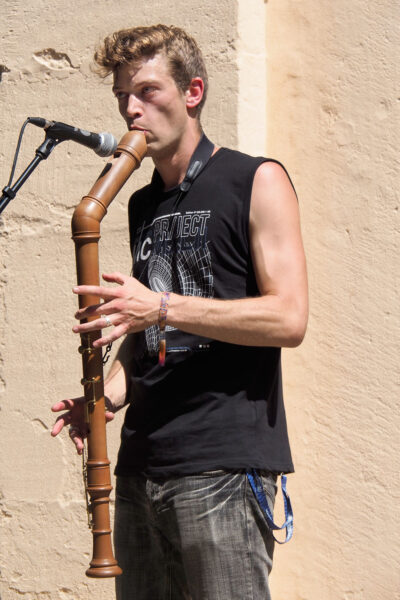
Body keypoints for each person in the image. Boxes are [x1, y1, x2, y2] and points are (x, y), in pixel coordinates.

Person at [51, 24, 308, 600]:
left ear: (192, 92)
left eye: (146, 92)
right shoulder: (142, 202)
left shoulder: (255, 180)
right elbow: (146, 326)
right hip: (143, 465)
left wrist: (159, 306)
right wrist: (108, 395)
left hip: (222, 464)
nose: (130, 110)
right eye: (122, 96)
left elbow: (289, 318)